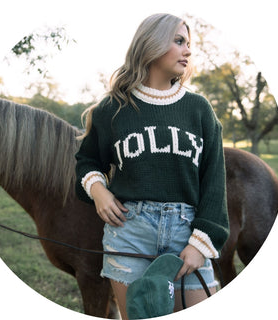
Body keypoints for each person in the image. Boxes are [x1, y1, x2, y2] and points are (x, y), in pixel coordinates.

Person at [75, 13, 229, 319]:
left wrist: (201, 243)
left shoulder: (198, 108)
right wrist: (99, 191)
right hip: (129, 232)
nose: (188, 50)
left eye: (189, 44)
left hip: (187, 234)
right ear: (152, 43)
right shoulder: (114, 108)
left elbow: (214, 180)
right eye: (179, 41)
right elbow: (88, 160)